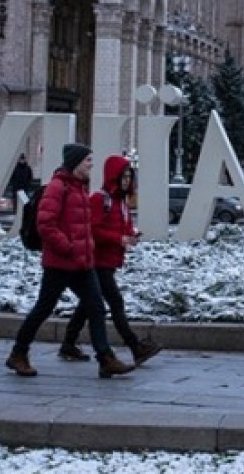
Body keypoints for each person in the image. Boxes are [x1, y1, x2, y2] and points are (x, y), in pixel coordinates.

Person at [5, 143, 134, 379]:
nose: (91, 165)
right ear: (75, 163)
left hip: (82, 264)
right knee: (43, 309)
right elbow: (45, 225)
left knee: (96, 307)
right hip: (60, 263)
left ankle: (105, 358)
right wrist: (69, 247)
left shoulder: (80, 188)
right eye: (88, 161)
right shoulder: (58, 187)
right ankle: (18, 353)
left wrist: (85, 249)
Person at [58, 155, 163, 367]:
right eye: (123, 176)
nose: (126, 180)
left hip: (109, 261)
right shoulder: (100, 199)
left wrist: (131, 235)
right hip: (97, 262)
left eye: (129, 176)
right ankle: (135, 347)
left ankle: (68, 344)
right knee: (115, 302)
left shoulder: (121, 202)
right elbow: (93, 230)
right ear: (112, 176)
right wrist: (120, 238)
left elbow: (119, 228)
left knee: (88, 305)